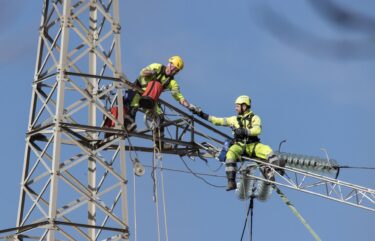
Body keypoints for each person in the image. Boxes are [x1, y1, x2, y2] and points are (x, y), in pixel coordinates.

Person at [192, 95, 284, 191]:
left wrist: (245, 131)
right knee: (230, 153)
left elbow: (257, 130)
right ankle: (231, 181)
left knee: (266, 149)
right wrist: (201, 114)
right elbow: (216, 121)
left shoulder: (255, 118)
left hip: (253, 145)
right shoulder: (233, 119)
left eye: (237, 106)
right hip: (239, 145)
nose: (235, 108)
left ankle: (277, 166)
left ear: (244, 106)